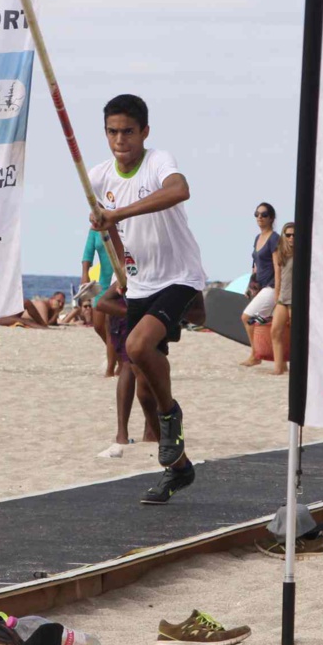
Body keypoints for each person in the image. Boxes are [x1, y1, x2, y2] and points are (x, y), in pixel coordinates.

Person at [89, 93, 206, 504]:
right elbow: (108, 230)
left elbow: (180, 190)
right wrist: (121, 269)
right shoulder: (99, 176)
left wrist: (118, 214)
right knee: (141, 381)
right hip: (139, 282)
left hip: (179, 276)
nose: (120, 139)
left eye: (128, 132)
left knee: (137, 347)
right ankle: (179, 469)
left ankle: (171, 417)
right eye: (112, 131)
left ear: (144, 133)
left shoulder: (158, 161)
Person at [96, 282, 160, 445]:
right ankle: (127, 433)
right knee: (132, 365)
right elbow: (103, 303)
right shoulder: (129, 268)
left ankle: (144, 432)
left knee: (142, 365)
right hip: (132, 304)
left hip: (134, 303)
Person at [240, 203, 280, 367]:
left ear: (271, 217)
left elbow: (278, 266)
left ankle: (255, 355)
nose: (259, 218)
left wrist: (278, 291)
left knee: (247, 317)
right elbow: (256, 265)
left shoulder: (274, 238)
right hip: (261, 286)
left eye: (263, 214)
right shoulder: (258, 238)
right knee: (260, 322)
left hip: (271, 286)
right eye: (257, 214)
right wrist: (250, 286)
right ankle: (264, 354)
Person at [80, 228, 117, 376]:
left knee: (110, 326)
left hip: (119, 280)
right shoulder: (95, 228)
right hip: (103, 281)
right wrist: (85, 275)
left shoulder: (121, 223)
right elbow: (87, 253)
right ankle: (119, 356)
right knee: (98, 325)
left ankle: (111, 369)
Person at [270, 222, 294, 376]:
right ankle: (279, 367)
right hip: (283, 298)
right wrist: (276, 298)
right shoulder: (280, 253)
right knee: (275, 331)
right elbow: (277, 278)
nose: (292, 238)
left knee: (295, 334)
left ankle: (293, 366)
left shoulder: (306, 253)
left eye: (295, 235)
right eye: (288, 235)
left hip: (296, 299)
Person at [0, 292, 66, 328]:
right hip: (10, 315)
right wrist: (56, 312)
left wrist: (56, 313)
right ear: (51, 299)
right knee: (22, 319)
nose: (60, 304)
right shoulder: (42, 304)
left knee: (21, 320)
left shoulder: (52, 310)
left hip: (14, 316)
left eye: (62, 303)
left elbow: (52, 323)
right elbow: (44, 323)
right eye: (58, 301)